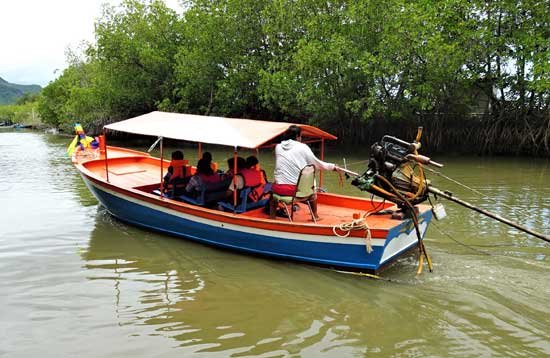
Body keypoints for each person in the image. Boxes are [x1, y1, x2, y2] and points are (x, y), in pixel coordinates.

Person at [269, 125, 340, 220]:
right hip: (295, 191)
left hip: (279, 189)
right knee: (312, 190)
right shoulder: (303, 147)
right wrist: (332, 167)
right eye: (300, 136)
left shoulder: (278, 147)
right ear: (298, 136)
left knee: (273, 192)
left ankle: (272, 217)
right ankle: (315, 216)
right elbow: (316, 163)